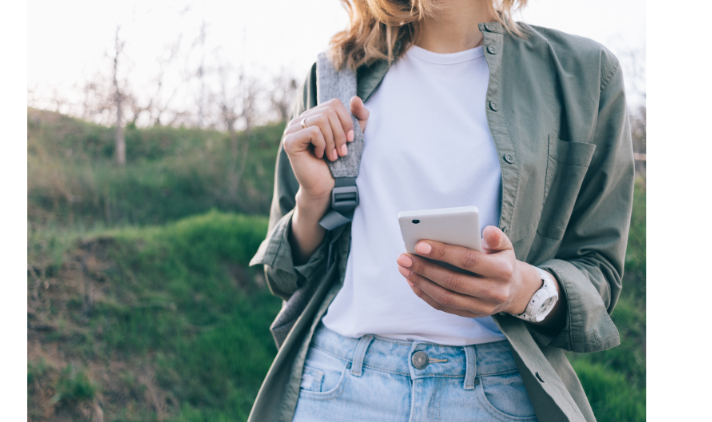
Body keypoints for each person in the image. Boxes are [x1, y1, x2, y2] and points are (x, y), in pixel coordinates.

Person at [249, 0, 634, 420]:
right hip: (339, 388)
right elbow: (283, 275)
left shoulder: (585, 74)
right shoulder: (336, 72)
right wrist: (314, 199)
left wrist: (520, 289)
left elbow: (599, 271)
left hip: (498, 392)